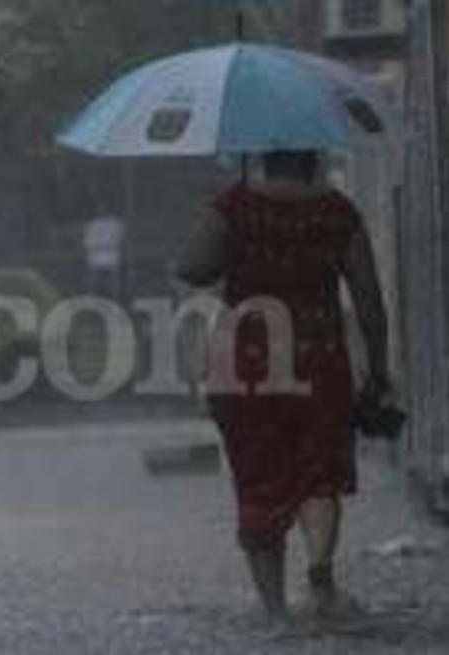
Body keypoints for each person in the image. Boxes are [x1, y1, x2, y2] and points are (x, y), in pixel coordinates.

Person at [175, 150, 392, 625]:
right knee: (320, 473)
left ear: (262, 157)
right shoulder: (337, 211)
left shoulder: (233, 206)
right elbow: (370, 300)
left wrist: (226, 222)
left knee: (257, 478)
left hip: (243, 366)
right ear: (312, 158)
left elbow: (191, 269)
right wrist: (378, 372)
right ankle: (320, 580)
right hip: (317, 361)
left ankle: (275, 611)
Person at [83, 208, 127, 299]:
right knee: (95, 282)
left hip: (109, 259)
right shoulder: (92, 224)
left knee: (112, 282)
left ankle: (113, 299)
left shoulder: (115, 223)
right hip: (98, 259)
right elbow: (87, 242)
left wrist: (99, 245)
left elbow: (119, 239)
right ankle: (94, 300)